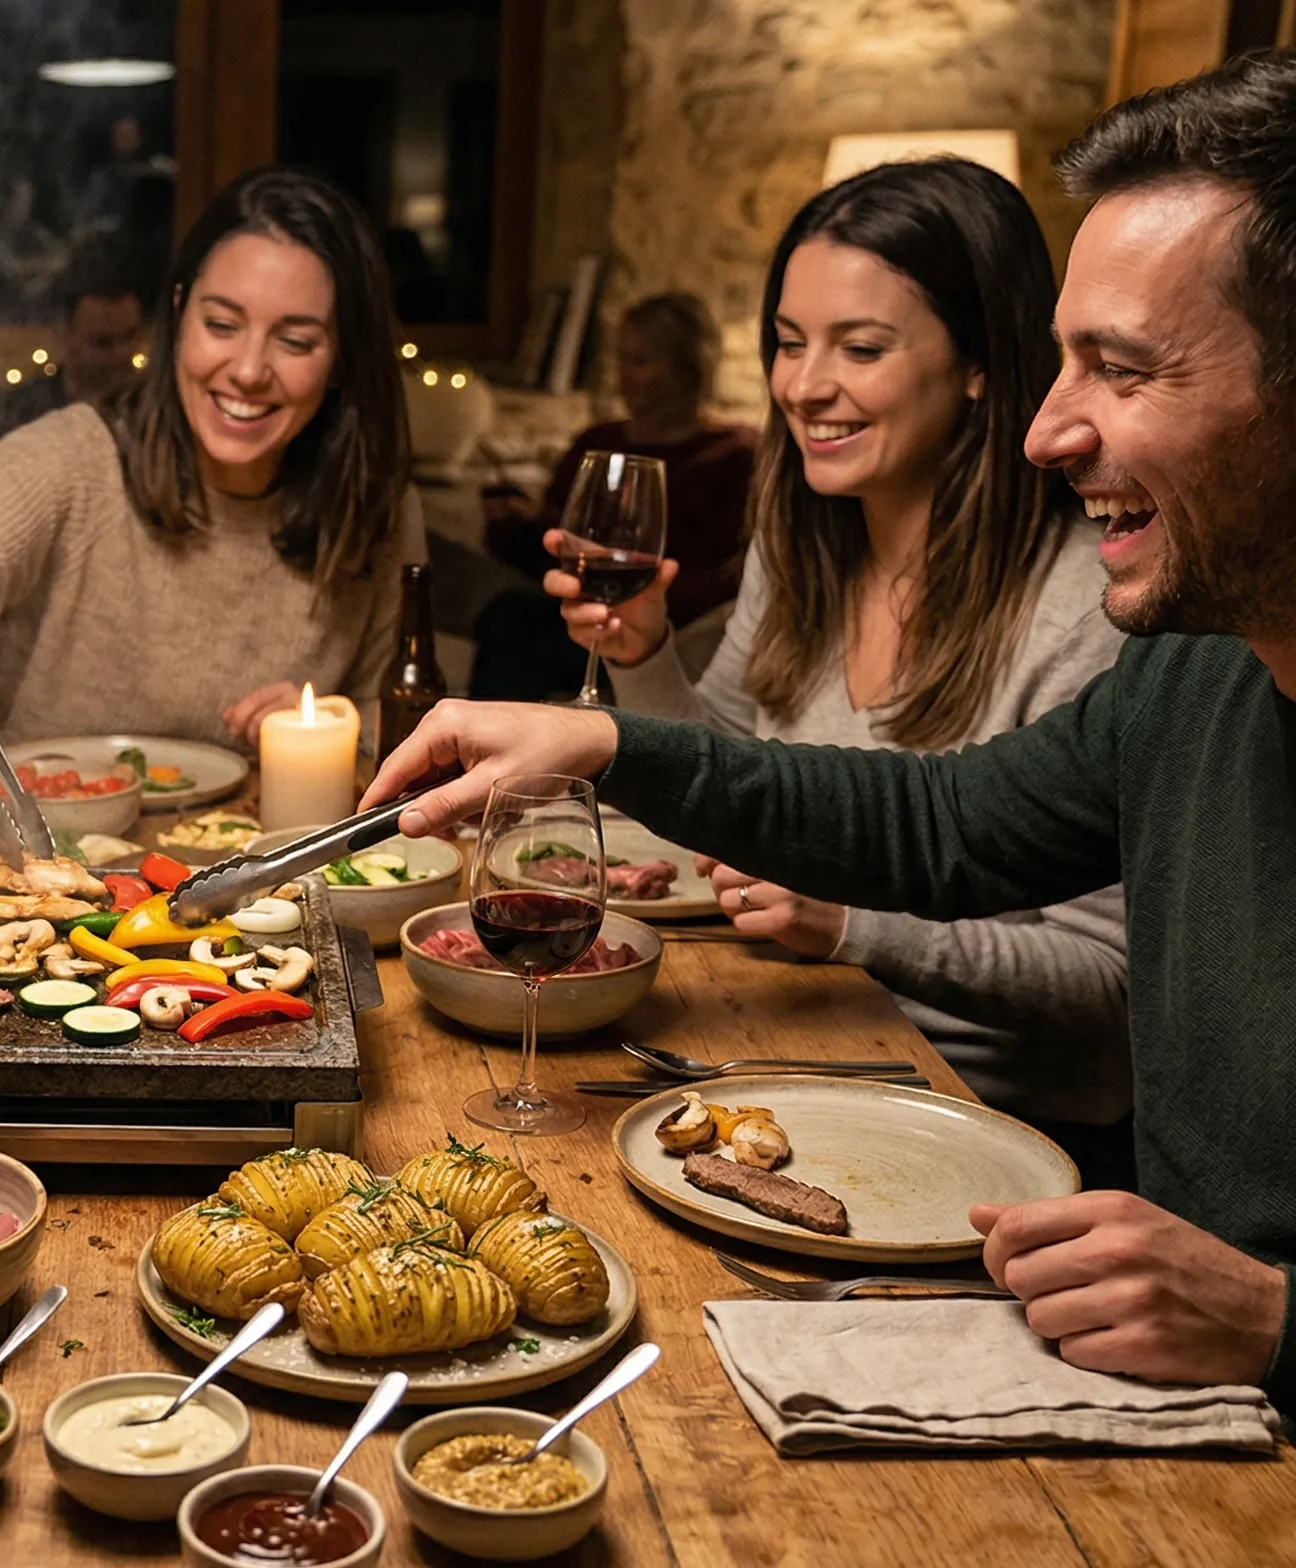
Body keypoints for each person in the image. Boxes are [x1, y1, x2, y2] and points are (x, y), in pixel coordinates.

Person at [360, 51, 1296, 1409]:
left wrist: (1276, 1321)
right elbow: (940, 824)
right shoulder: (1197, 678)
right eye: (1061, 364)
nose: (1047, 435)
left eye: (1126, 370)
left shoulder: (1129, 627)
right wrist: (615, 740)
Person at [555, 163, 1134, 1173]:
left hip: (989, 1126)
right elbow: (726, 791)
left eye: (858, 347)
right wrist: (643, 656)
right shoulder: (804, 547)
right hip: (789, 1054)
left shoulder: (1084, 606)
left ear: (978, 364)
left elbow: (1106, 983)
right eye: (786, 343)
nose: (802, 385)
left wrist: (857, 923)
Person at [0, 164, 428, 746]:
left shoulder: (377, 505)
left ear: (340, 358)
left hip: (263, 838)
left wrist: (331, 722)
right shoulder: (79, 456)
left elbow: (402, 727)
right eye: (221, 324)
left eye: (294, 341)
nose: (248, 370)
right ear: (180, 314)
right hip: (56, 827)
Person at [469, 292, 756, 698]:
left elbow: (737, 572)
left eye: (640, 361)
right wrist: (514, 524)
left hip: (675, 623)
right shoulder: (597, 443)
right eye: (620, 358)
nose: (623, 374)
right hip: (580, 610)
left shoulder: (736, 454)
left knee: (517, 623)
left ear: (689, 368)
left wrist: (651, 599)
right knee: (509, 613)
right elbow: (554, 549)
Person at [0, 243, 153, 490]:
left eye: (129, 337)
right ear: (64, 333)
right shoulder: (17, 412)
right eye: (102, 343)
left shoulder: (153, 413)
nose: (120, 355)